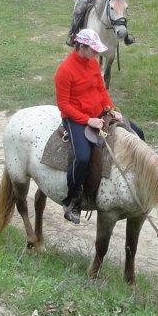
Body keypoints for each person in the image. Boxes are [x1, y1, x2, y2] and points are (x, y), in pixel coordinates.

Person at [55, 28, 123, 224]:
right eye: (93, 50)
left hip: (99, 113)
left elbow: (101, 90)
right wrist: (87, 120)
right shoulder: (65, 71)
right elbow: (64, 106)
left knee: (136, 131)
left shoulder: (92, 63)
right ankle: (72, 200)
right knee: (83, 157)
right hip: (75, 119)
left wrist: (111, 108)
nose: (96, 54)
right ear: (81, 47)